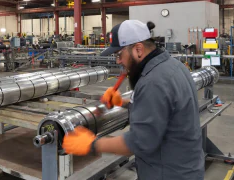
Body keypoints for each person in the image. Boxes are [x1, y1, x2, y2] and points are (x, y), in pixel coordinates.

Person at [62, 20, 204, 180]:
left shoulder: (153, 81)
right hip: (184, 168)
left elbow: (139, 142)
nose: (118, 61)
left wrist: (91, 144)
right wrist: (121, 102)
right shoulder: (172, 66)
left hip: (167, 173)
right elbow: (160, 111)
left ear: (138, 49)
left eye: (119, 55)